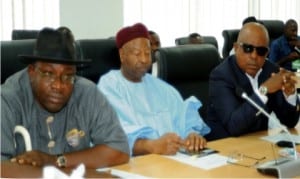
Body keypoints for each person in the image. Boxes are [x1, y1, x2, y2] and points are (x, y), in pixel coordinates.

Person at [1, 27, 130, 176]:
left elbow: (119, 150)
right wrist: (82, 176)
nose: (59, 85)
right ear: (31, 71)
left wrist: (56, 161)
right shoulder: (7, 99)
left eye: (68, 76)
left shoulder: (86, 92)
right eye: (49, 74)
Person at [97, 23, 210, 156]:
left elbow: (183, 117)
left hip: (174, 161)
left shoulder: (161, 87)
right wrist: (151, 146)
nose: (144, 59)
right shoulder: (109, 86)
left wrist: (192, 135)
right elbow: (113, 135)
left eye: (147, 53)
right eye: (137, 54)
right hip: (134, 164)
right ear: (122, 55)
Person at [206, 22, 300, 140]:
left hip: (257, 145)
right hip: (224, 148)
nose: (254, 56)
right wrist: (264, 90)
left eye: (261, 51)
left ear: (267, 52)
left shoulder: (270, 70)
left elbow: (290, 122)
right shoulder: (221, 75)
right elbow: (234, 126)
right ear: (236, 48)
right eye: (248, 48)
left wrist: (290, 96)